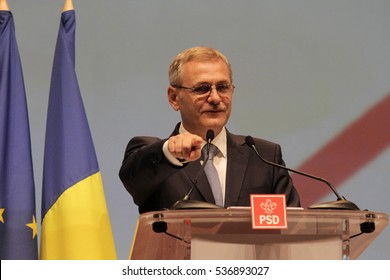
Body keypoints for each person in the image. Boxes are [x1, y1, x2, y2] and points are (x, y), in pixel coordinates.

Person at [119, 46, 300, 214]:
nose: (215, 98)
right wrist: (170, 152)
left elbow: (293, 230)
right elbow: (133, 180)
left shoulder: (264, 157)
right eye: (202, 88)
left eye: (222, 87)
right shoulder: (157, 157)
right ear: (174, 98)